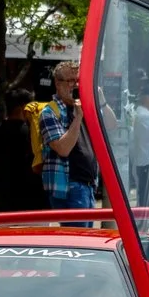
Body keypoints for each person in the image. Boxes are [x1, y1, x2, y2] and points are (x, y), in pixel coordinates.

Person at [37, 61, 97, 210]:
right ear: (58, 83)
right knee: (78, 233)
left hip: (88, 185)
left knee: (88, 233)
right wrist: (78, 118)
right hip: (70, 187)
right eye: (70, 81)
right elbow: (63, 149)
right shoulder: (49, 112)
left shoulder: (85, 107)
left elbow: (111, 125)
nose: (75, 85)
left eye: (78, 81)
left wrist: (99, 98)